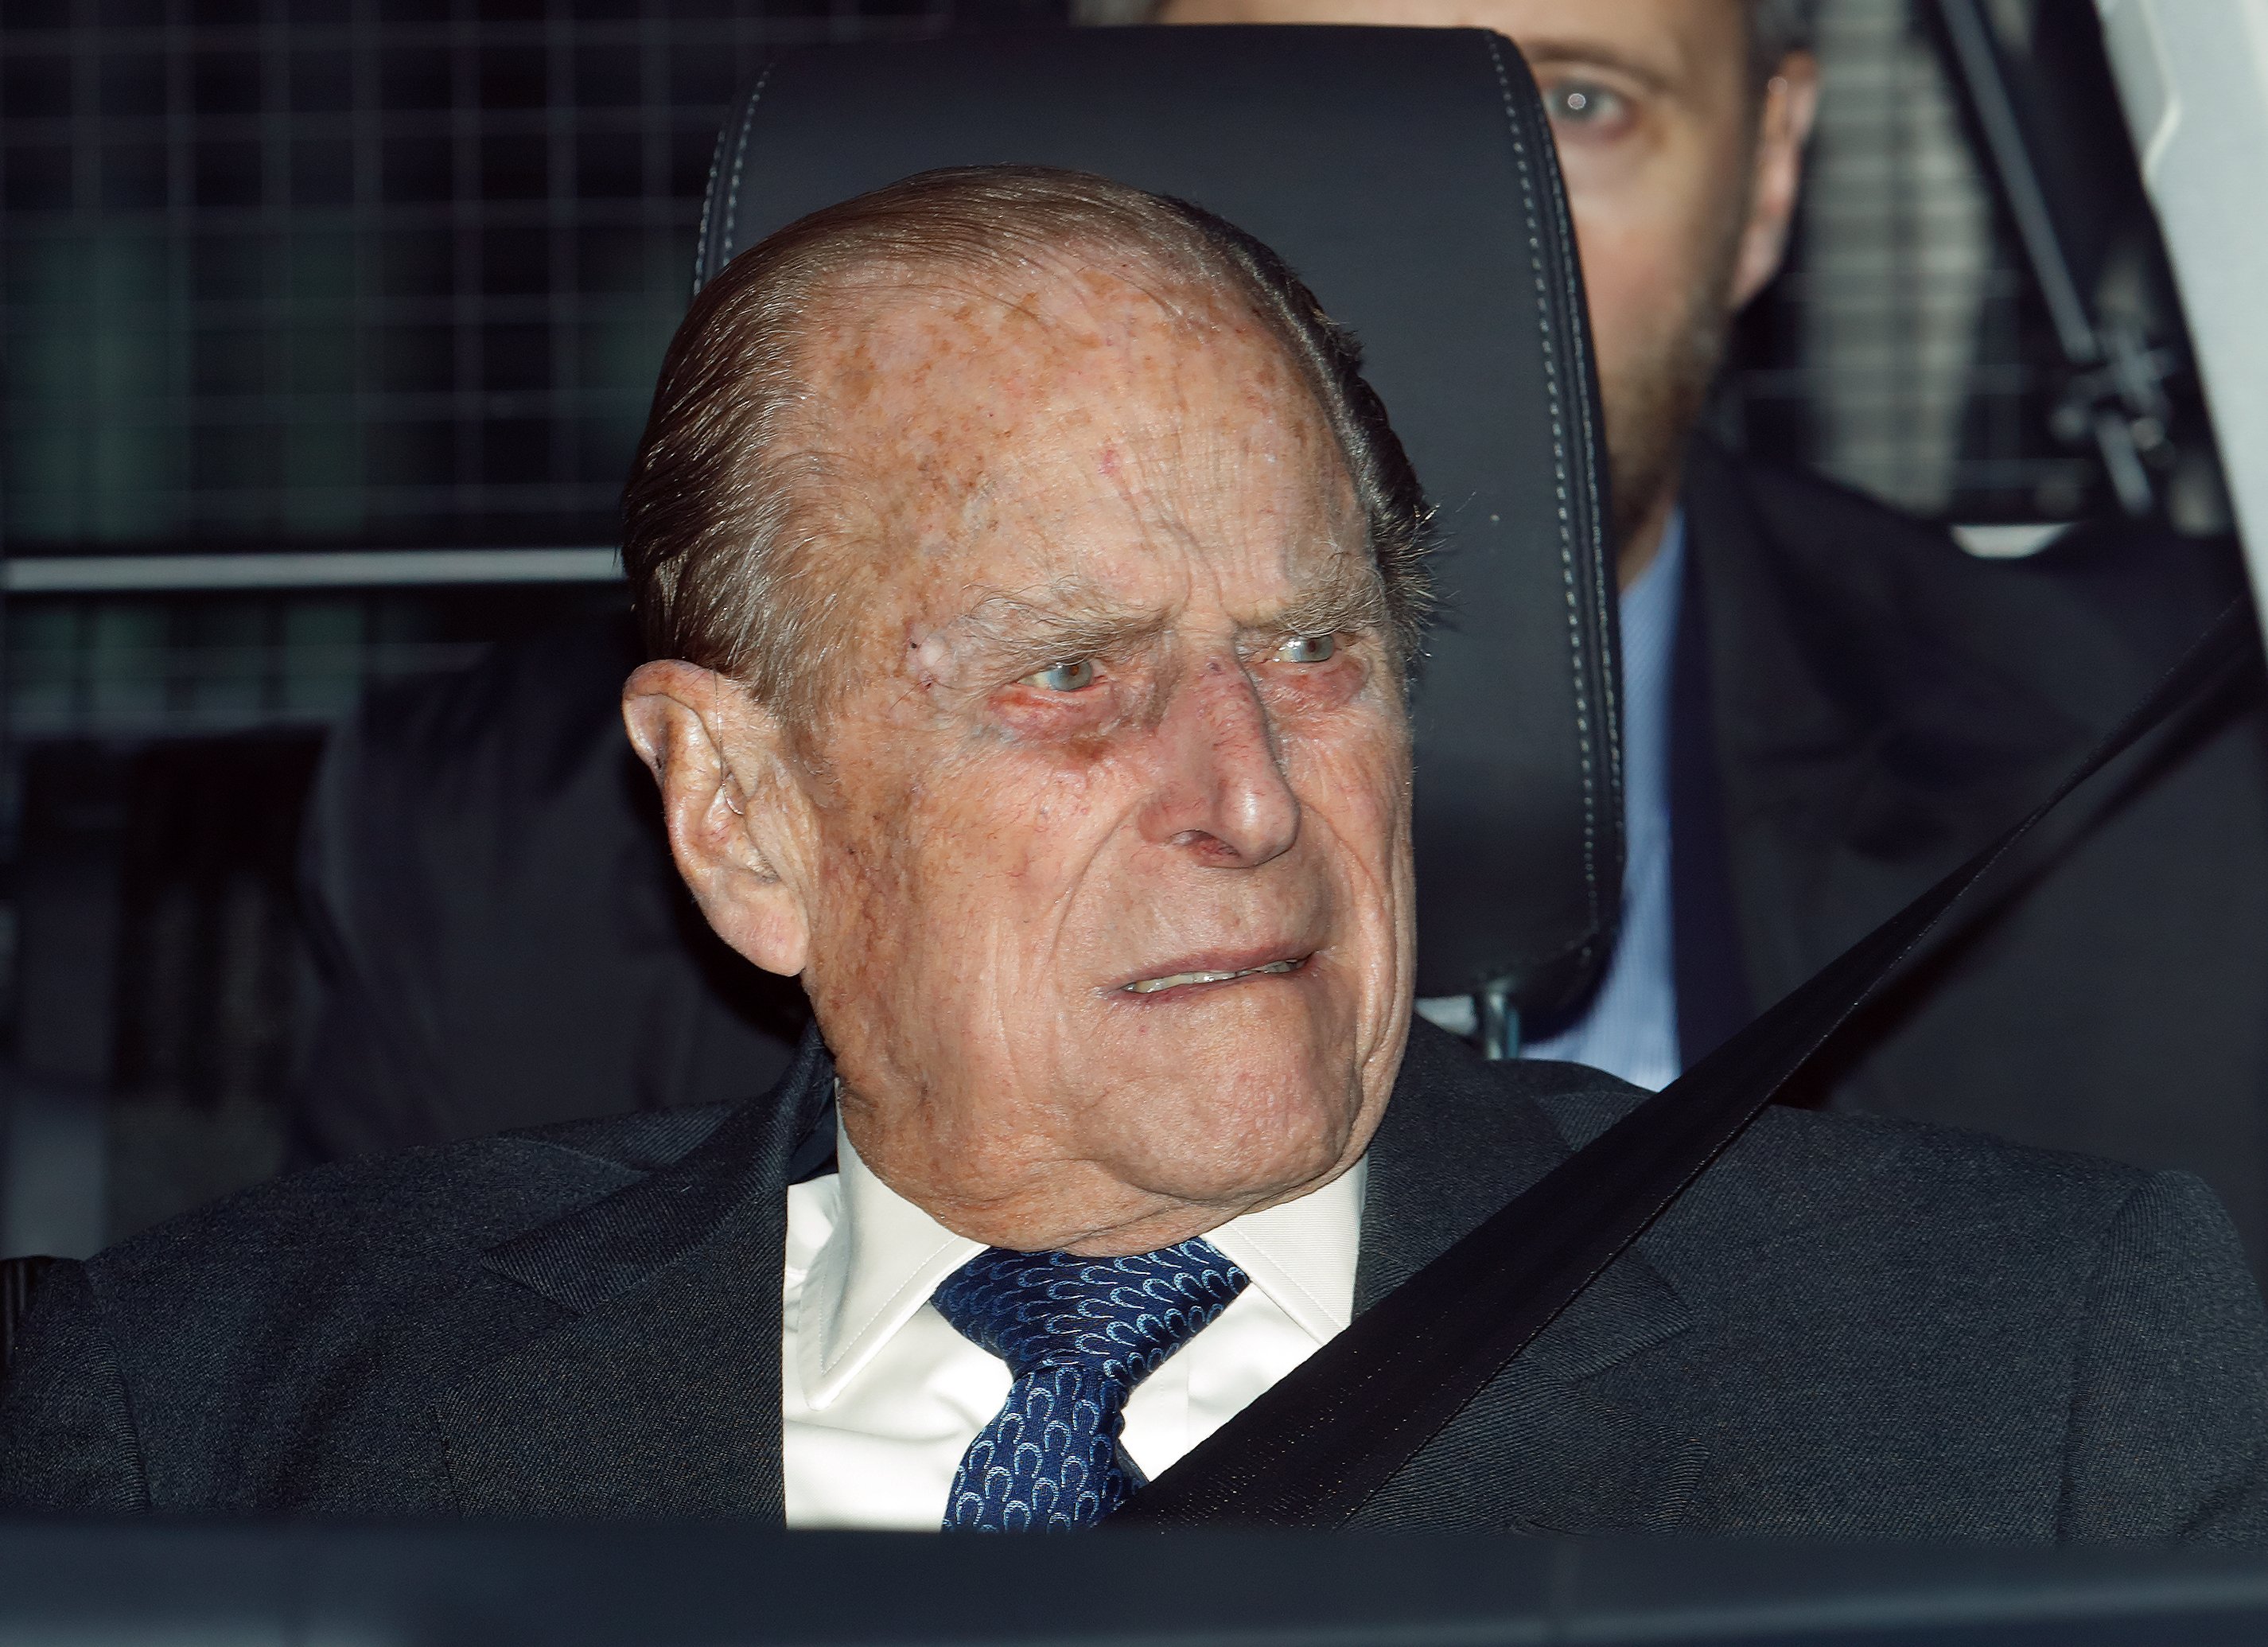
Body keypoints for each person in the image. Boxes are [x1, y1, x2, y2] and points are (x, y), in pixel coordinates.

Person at [6, 169, 2265, 1536]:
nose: (1248, 796)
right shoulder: (219, 1407)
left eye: (1309, 647)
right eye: (1067, 678)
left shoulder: (2015, 1378)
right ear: (742, 812)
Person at [1147, 0, 2268, 1258]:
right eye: (1303, 104)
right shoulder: (891, 806)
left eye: (1575, 107)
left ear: (1771, 170)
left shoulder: (2165, 789)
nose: (1437, 233)